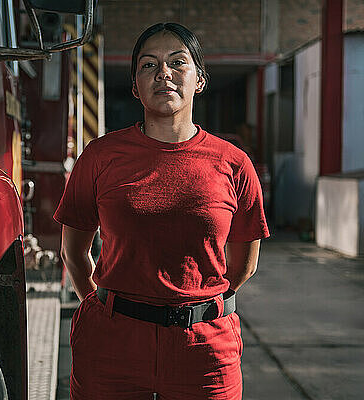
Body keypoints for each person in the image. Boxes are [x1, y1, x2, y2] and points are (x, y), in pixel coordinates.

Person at [53, 22, 269, 400]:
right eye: (149, 65)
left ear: (199, 80)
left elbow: (243, 266)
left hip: (204, 350)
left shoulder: (234, 164)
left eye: (177, 62)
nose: (163, 73)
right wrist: (102, 308)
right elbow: (74, 251)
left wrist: (199, 305)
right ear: (135, 86)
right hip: (113, 345)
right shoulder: (101, 156)